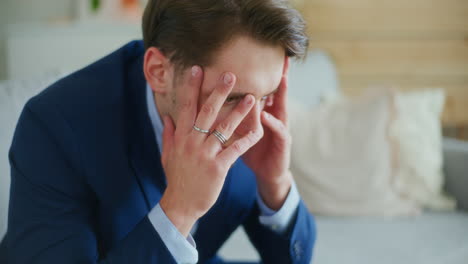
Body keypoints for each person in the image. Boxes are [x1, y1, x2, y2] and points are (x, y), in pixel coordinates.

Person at [1, 0, 316, 263]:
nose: (254, 128)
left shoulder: (256, 130)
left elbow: (292, 259)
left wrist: (274, 184)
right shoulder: (54, 127)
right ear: (158, 72)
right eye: (231, 98)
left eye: (266, 96)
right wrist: (179, 211)